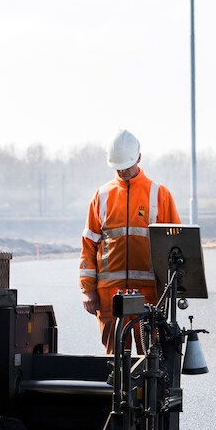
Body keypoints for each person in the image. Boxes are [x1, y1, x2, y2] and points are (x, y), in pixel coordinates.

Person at [79, 129, 181, 353]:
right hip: (109, 296)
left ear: (139, 159)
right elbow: (89, 245)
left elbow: (176, 245)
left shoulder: (159, 194)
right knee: (115, 364)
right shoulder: (102, 196)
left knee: (152, 360)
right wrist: (88, 290)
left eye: (127, 165)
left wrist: (172, 290)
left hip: (150, 295)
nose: (123, 171)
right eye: (119, 167)